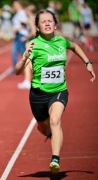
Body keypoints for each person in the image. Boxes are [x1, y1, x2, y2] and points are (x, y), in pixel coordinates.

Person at [15, 9, 96, 175]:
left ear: (55, 24)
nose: (47, 23)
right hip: (38, 94)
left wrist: (87, 62)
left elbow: (74, 46)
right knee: (44, 127)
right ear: (37, 27)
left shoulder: (61, 41)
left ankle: (55, 159)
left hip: (59, 91)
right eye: (43, 21)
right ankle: (51, 135)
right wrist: (24, 58)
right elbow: (17, 71)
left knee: (55, 119)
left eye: (50, 21)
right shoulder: (33, 45)